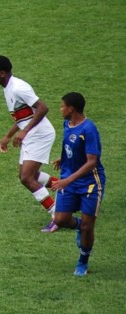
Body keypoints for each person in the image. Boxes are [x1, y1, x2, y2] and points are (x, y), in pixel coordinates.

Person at [0, 56, 60, 231]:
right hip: (31, 135)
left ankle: (58, 215)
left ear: (2, 73)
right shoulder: (8, 88)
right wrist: (8, 136)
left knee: (27, 178)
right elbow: (22, 116)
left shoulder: (19, 88)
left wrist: (25, 131)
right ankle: (70, 188)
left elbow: (43, 108)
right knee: (28, 176)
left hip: (40, 135)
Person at [50, 92, 105, 277]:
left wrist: (67, 180)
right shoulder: (68, 124)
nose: (60, 109)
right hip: (70, 176)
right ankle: (81, 227)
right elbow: (70, 145)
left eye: (62, 105)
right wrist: (63, 158)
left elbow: (92, 162)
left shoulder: (89, 129)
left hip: (90, 182)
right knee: (60, 220)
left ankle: (83, 261)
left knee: (89, 227)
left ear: (71, 108)